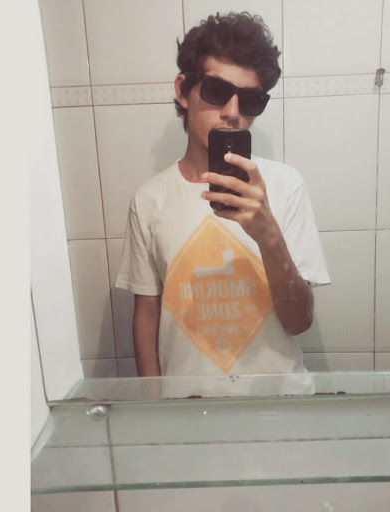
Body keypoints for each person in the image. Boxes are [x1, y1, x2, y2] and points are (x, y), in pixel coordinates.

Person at [115, 12, 330, 377]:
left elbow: (299, 322)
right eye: (217, 91)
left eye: (250, 100)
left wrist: (268, 234)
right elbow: (147, 314)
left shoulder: (285, 186)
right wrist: (153, 402)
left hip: (278, 401)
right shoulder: (149, 200)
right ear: (183, 91)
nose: (232, 113)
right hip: (187, 403)